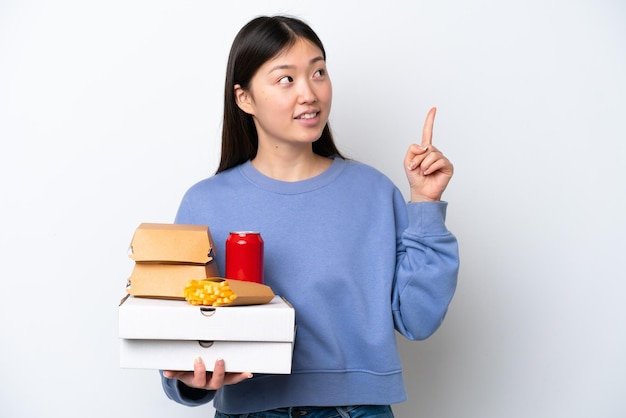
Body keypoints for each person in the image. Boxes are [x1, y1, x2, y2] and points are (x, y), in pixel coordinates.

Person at [161, 15, 459, 418]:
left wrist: (424, 202)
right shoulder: (204, 204)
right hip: (248, 409)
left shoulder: (372, 192)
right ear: (244, 98)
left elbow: (417, 320)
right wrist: (189, 381)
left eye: (318, 72)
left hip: (355, 410)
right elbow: (180, 340)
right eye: (286, 79)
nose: (309, 93)